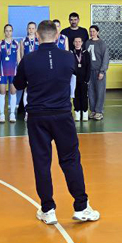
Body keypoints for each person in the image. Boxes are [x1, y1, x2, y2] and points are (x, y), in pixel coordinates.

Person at [13, 20, 100, 225]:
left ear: (37, 36)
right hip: (62, 116)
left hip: (37, 117)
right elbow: (77, 73)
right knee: (71, 160)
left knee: (41, 162)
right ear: (58, 35)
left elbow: (18, 84)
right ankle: (81, 207)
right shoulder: (67, 57)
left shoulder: (29, 59)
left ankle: (48, 209)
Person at [0, 24, 19, 123]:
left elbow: (18, 58)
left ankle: (12, 113)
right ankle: (2, 114)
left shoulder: (16, 43)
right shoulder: (0, 44)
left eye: (10, 31)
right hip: (2, 72)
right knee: (2, 92)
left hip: (13, 72)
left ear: (12, 32)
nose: (8, 32)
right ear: (4, 32)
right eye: (6, 30)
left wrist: (20, 71)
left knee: (13, 92)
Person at [87, 25, 109, 120]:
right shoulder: (87, 43)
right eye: (90, 31)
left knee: (100, 91)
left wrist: (102, 71)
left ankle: (99, 111)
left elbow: (105, 58)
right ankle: (93, 110)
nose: (92, 33)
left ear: (97, 32)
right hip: (89, 71)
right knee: (90, 91)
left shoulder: (102, 43)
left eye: (94, 31)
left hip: (98, 71)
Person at [17, 22, 39, 117]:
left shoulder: (39, 40)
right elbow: (21, 55)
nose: (31, 30)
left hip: (37, 68)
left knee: (37, 89)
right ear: (27, 29)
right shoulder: (23, 40)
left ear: (36, 29)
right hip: (27, 67)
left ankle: (36, 110)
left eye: (33, 28)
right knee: (27, 89)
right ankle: (27, 112)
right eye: (29, 28)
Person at [71, 36, 91, 120]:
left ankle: (85, 112)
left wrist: (87, 79)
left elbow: (89, 66)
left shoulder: (86, 53)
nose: (77, 43)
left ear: (82, 43)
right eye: (76, 41)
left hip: (84, 79)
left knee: (84, 96)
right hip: (74, 79)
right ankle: (77, 112)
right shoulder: (71, 53)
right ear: (73, 43)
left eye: (79, 41)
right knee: (76, 96)